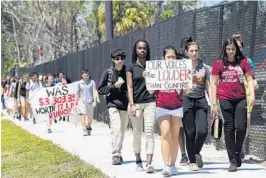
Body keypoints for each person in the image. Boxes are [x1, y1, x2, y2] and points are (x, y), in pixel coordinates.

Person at [211, 38, 255, 172]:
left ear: (236, 49)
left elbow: (249, 78)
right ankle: (232, 161)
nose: (230, 52)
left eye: (233, 49)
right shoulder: (219, 63)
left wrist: (252, 95)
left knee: (241, 127)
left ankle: (237, 151)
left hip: (241, 98)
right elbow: (213, 83)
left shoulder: (243, 62)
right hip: (225, 98)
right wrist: (214, 103)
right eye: (228, 49)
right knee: (229, 128)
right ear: (224, 49)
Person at [146, 46, 183, 176]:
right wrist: (148, 78)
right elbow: (151, 91)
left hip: (177, 107)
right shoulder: (158, 71)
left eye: (173, 57)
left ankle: (173, 165)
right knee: (165, 133)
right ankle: (166, 165)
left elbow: (188, 91)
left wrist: (188, 79)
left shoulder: (181, 71)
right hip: (162, 106)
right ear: (164, 58)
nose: (171, 59)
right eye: (169, 57)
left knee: (174, 136)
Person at [126, 40, 156, 173]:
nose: (142, 50)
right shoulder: (131, 67)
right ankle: (138, 161)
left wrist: (148, 79)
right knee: (137, 133)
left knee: (149, 131)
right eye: (139, 48)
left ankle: (149, 163)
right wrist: (131, 104)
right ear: (136, 50)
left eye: (144, 48)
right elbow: (129, 86)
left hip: (150, 102)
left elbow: (156, 86)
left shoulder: (153, 66)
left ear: (147, 50)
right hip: (136, 104)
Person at [182, 41, 211, 171]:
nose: (194, 53)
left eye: (196, 50)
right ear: (187, 52)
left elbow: (208, 86)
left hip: (201, 100)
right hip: (186, 100)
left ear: (198, 51)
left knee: (202, 131)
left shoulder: (205, 67)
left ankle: (195, 151)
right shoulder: (181, 66)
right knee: (190, 132)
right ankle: (192, 161)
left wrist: (214, 103)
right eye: (191, 51)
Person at [98, 49, 129, 165]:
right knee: (116, 128)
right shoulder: (108, 72)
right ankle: (115, 154)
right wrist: (113, 86)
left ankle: (119, 152)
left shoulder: (127, 71)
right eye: (117, 58)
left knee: (122, 131)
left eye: (121, 58)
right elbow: (101, 89)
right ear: (113, 60)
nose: (120, 60)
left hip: (124, 105)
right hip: (112, 104)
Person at [232, 34, 258, 160]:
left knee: (245, 121)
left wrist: (254, 82)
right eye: (236, 46)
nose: (238, 49)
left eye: (240, 46)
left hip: (246, 93)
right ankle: (233, 146)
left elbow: (252, 76)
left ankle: (241, 146)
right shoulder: (228, 61)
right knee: (232, 123)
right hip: (231, 93)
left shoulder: (248, 61)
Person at [77, 70, 98, 136]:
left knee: (90, 117)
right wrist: (76, 102)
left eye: (87, 75)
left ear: (89, 75)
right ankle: (84, 130)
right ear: (82, 76)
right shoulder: (79, 83)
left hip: (90, 101)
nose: (86, 77)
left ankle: (88, 126)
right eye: (84, 76)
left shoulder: (92, 82)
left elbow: (94, 91)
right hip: (82, 101)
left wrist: (94, 101)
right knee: (83, 115)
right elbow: (77, 93)